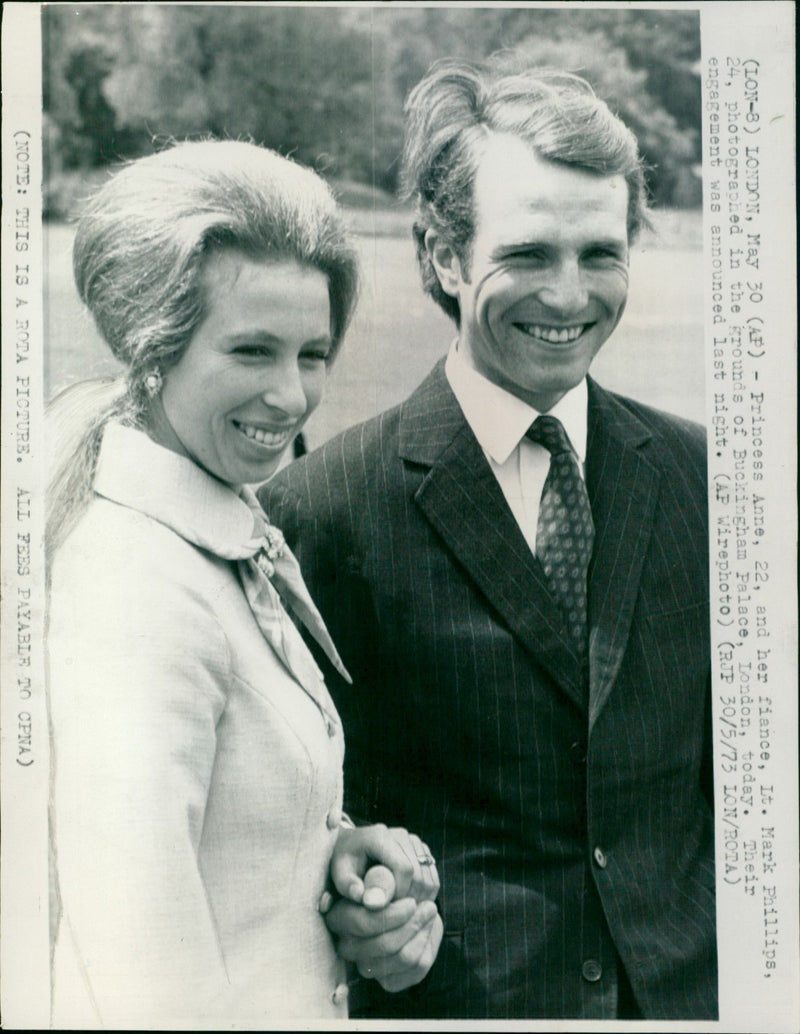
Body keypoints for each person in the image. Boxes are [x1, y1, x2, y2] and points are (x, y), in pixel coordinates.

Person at [261, 60, 716, 1020]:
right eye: (529, 255)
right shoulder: (322, 510)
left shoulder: (708, 480)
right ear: (443, 256)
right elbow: (295, 831)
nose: (569, 295)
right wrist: (361, 899)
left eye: (600, 253)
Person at [45, 139, 442, 1029]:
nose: (294, 397)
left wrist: (328, 856)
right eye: (253, 351)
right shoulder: (135, 591)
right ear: (154, 347)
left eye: (313, 353)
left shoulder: (207, 532)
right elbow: (146, 981)